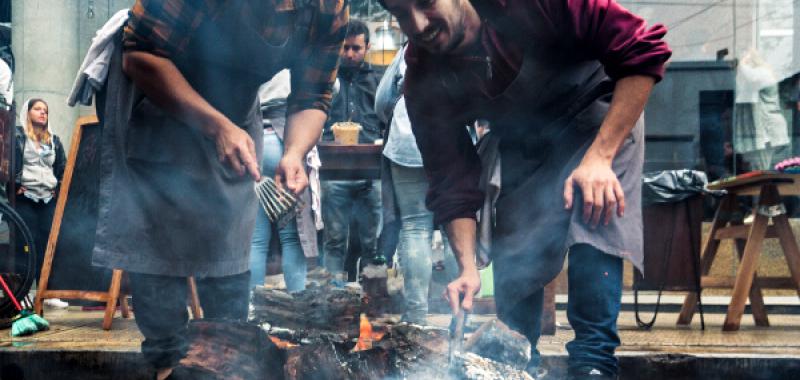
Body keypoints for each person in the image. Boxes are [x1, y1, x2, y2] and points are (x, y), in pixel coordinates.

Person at [375, 0, 672, 378]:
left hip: (598, 121)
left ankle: (593, 363)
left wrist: (599, 158)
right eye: (401, 13)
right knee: (516, 251)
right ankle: (516, 366)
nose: (416, 24)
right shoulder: (422, 77)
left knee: (594, 216)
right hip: (524, 141)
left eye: (425, 3)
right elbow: (450, 179)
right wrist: (467, 268)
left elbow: (642, 47)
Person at [91, 1, 347, 378]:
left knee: (229, 238)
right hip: (156, 87)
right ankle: (166, 366)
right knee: (158, 236)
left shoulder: (329, 6)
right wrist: (217, 127)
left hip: (236, 102)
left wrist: (294, 152)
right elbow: (139, 55)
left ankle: (227, 361)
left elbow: (313, 95)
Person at [376, 44, 458, 324]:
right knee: (454, 225)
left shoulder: (410, 45)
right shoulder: (467, 38)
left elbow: (381, 100)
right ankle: (460, 314)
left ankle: (417, 315)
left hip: (407, 136)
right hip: (453, 138)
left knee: (414, 226)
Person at [320, 19, 385, 279]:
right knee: (334, 241)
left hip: (371, 172)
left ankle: (372, 305)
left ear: (367, 47)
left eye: (356, 48)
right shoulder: (327, 79)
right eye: (345, 48)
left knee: (372, 244)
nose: (349, 54)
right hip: (334, 173)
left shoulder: (378, 79)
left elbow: (387, 118)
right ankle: (332, 303)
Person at [250, 70, 321, 292]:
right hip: (285, 141)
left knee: (256, 239)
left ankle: (252, 308)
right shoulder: (295, 53)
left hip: (254, 141)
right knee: (291, 237)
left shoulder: (253, 54)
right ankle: (297, 301)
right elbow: (330, 87)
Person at [13, 99, 68, 309]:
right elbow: (7, 161)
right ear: (27, 112)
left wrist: (58, 189)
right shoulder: (16, 136)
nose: (43, 113)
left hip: (47, 198)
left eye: (45, 110)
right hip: (25, 197)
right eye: (37, 109)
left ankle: (47, 292)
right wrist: (14, 184)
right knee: (25, 245)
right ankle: (23, 292)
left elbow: (62, 168)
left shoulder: (54, 140)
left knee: (50, 245)